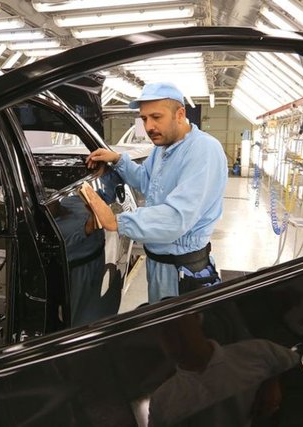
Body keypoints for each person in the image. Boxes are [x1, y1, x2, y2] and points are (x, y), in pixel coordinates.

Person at [83, 82, 228, 303]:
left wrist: (117, 221)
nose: (149, 126)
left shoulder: (204, 150)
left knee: (177, 325)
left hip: (182, 271)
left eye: (156, 117)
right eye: (144, 119)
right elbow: (146, 181)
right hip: (159, 262)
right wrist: (119, 160)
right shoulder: (162, 149)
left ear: (180, 114)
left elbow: (176, 218)